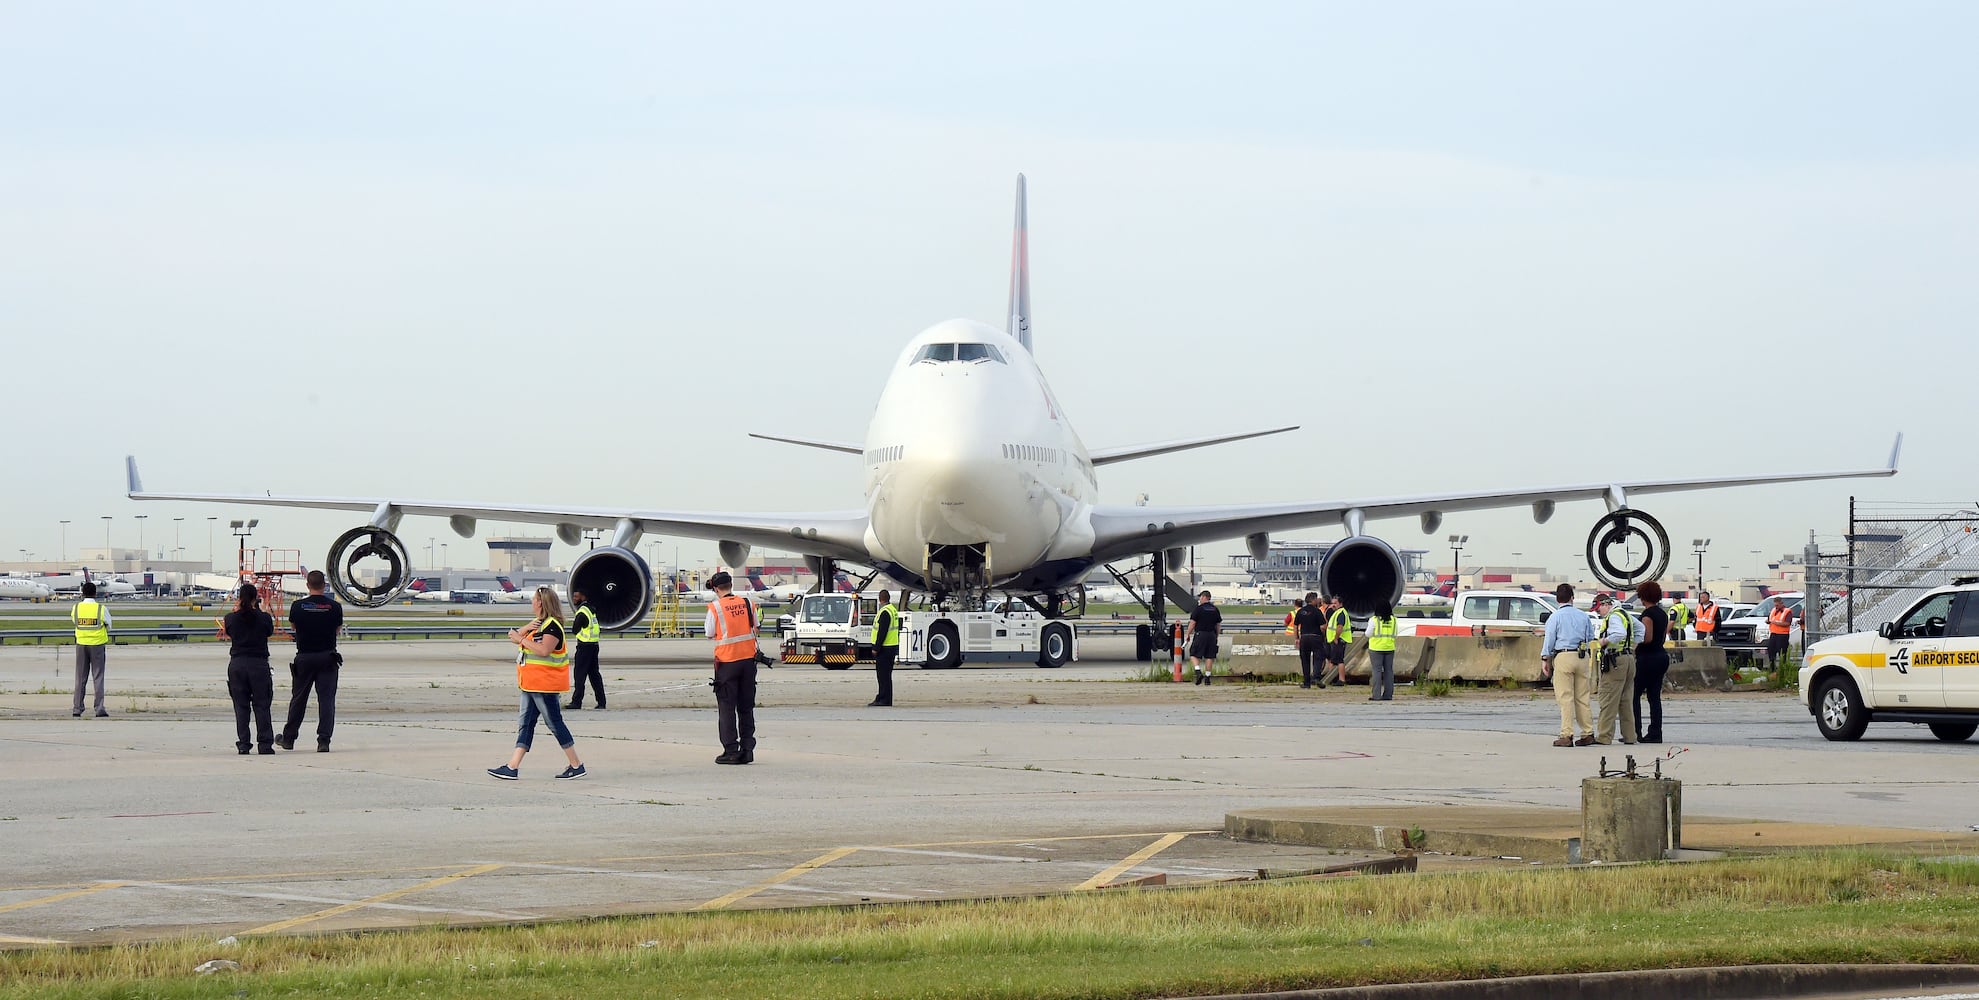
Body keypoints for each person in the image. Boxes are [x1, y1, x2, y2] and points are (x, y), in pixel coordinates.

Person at [488, 586, 587, 780]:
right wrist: (523, 631)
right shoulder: (541, 623)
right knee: (525, 724)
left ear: (540, 602)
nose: (532, 602)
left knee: (554, 723)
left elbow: (543, 651)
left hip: (544, 685)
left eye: (534, 599)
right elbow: (513, 636)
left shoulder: (552, 626)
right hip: (531, 684)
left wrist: (521, 640)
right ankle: (512, 767)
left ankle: (576, 765)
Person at [277, 570, 342, 752]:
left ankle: (289, 738)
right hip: (327, 657)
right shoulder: (335, 607)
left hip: (305, 657)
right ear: (324, 585)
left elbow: (294, 627)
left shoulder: (297, 606)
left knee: (298, 699)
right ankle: (324, 740)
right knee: (327, 700)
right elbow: (337, 630)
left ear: (307, 585)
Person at [705, 571, 760, 763]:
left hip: (727, 663)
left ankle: (730, 750)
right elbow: (756, 625)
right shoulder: (748, 603)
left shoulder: (715, 608)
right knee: (746, 707)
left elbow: (709, 632)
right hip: (748, 661)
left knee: (727, 708)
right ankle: (747, 749)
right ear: (730, 585)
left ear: (715, 588)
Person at [217, 583, 277, 755]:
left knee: (241, 706)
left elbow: (229, 630)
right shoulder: (264, 618)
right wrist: (263, 610)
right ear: (255, 598)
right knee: (262, 705)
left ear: (239, 598)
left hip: (238, 664)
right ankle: (265, 744)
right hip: (258, 664)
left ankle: (244, 743)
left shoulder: (230, 618)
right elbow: (269, 631)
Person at [1539, 583, 1595, 747]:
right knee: (1582, 697)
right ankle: (1588, 732)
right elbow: (1590, 637)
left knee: (1565, 698)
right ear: (1572, 598)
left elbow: (1549, 639)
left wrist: (1545, 658)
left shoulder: (1555, 617)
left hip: (1563, 655)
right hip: (1582, 656)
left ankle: (1567, 734)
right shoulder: (1583, 616)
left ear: (1557, 599)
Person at [1592, 594, 1638, 746]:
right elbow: (1641, 630)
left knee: (1608, 699)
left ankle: (1604, 736)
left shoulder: (1613, 617)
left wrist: (1604, 641)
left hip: (1615, 661)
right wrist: (1632, 646)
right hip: (1629, 659)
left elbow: (1619, 633)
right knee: (1625, 700)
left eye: (1599, 609)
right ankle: (1630, 736)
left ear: (1606, 604)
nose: (1598, 613)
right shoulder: (1625, 614)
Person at [1633, 580, 1672, 744]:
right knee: (1654, 697)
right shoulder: (1662, 614)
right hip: (1661, 656)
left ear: (1643, 597)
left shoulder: (1647, 615)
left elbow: (1647, 638)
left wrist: (1635, 644)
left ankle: (1635, 731)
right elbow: (1661, 636)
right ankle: (1656, 731)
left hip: (1647, 658)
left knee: (1634, 695)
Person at [70, 581, 112, 718]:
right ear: (95, 593)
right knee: (98, 677)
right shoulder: (101, 608)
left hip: (81, 644)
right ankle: (99, 708)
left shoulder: (76, 608)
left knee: (80, 678)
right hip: (97, 645)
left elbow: (74, 621)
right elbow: (109, 625)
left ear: (82, 593)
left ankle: (77, 707)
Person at [565, 589, 606, 710]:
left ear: (583, 597)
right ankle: (601, 701)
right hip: (594, 646)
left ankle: (576, 702)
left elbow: (574, 630)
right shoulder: (591, 609)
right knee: (594, 675)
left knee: (579, 675)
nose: (574, 598)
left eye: (576, 596)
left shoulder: (582, 612)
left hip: (584, 647)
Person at [868, 589, 900, 707]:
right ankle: (885, 698)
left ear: (880, 599)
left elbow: (882, 632)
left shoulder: (885, 612)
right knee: (887, 676)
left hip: (884, 649)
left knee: (882, 676)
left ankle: (883, 699)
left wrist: (876, 647)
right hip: (891, 647)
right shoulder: (893, 610)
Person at [1365, 600, 1399, 701]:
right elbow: (1395, 633)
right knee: (1389, 671)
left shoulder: (1374, 620)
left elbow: (1368, 634)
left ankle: (1376, 695)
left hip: (1376, 648)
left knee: (1377, 671)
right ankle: (1388, 695)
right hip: (1389, 647)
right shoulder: (1394, 620)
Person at [1187, 590, 1222, 685]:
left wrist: (1188, 634)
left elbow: (1192, 623)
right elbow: (1218, 625)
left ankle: (1198, 672)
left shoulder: (1198, 609)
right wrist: (1216, 636)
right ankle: (1207, 678)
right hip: (1211, 635)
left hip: (1200, 634)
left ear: (1204, 597)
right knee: (1209, 656)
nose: (1199, 599)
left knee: (1193, 654)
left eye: (1200, 597)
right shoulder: (1215, 609)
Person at [1293, 592, 1326, 688]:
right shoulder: (1317, 611)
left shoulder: (1301, 611)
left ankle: (1306, 683)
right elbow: (1323, 626)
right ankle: (1316, 676)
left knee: (1305, 660)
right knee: (1319, 657)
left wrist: (1297, 638)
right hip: (1315, 637)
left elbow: (1295, 626)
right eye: (1316, 599)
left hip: (1304, 638)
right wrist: (1322, 635)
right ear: (1313, 600)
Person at [1321, 596, 1353, 687]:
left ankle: (1341, 680)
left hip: (1339, 640)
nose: (1333, 605)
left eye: (1335, 603)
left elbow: (1340, 627)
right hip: (1334, 640)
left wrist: (1336, 638)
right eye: (1332, 603)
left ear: (1340, 604)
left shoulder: (1341, 613)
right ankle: (1331, 678)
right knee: (1333, 660)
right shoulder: (1336, 612)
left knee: (1339, 660)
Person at [1766, 600, 1796, 671]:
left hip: (1783, 635)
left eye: (1777, 605)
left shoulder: (1787, 611)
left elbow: (1787, 623)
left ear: (1782, 604)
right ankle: (1772, 669)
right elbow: (1769, 619)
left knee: (1782, 653)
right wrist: (1768, 621)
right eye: (1775, 605)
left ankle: (1783, 669)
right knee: (1771, 650)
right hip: (1773, 633)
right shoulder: (1773, 610)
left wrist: (1776, 623)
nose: (1776, 607)